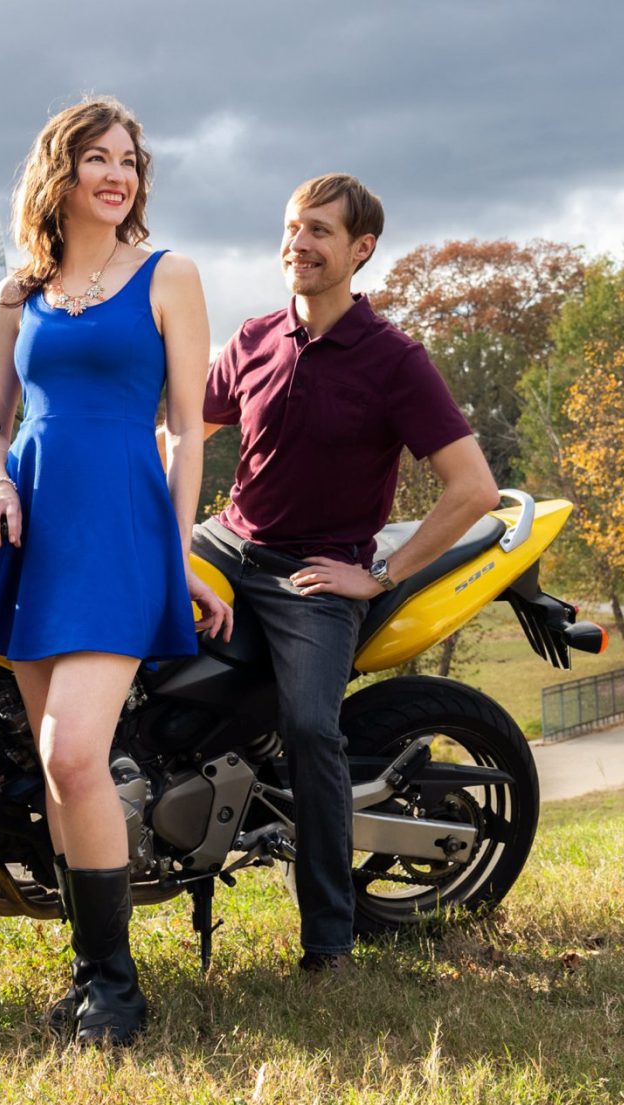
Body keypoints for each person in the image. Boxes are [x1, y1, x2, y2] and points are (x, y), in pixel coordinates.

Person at [166, 173, 498, 972]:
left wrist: (378, 573)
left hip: (311, 577)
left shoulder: (394, 360)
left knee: (312, 728)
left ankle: (328, 939)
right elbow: (185, 428)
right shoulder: (255, 337)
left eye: (319, 230)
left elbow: (474, 489)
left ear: (361, 249)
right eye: (292, 227)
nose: (299, 243)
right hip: (227, 542)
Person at [0, 97, 231, 1045]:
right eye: (98, 159)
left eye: (129, 161)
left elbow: (186, 429)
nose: (118, 175)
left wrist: (177, 550)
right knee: (54, 766)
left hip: (120, 530)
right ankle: (89, 975)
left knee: (76, 753)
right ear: (60, 174)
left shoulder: (169, 275)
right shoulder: (17, 292)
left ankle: (118, 989)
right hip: (33, 532)